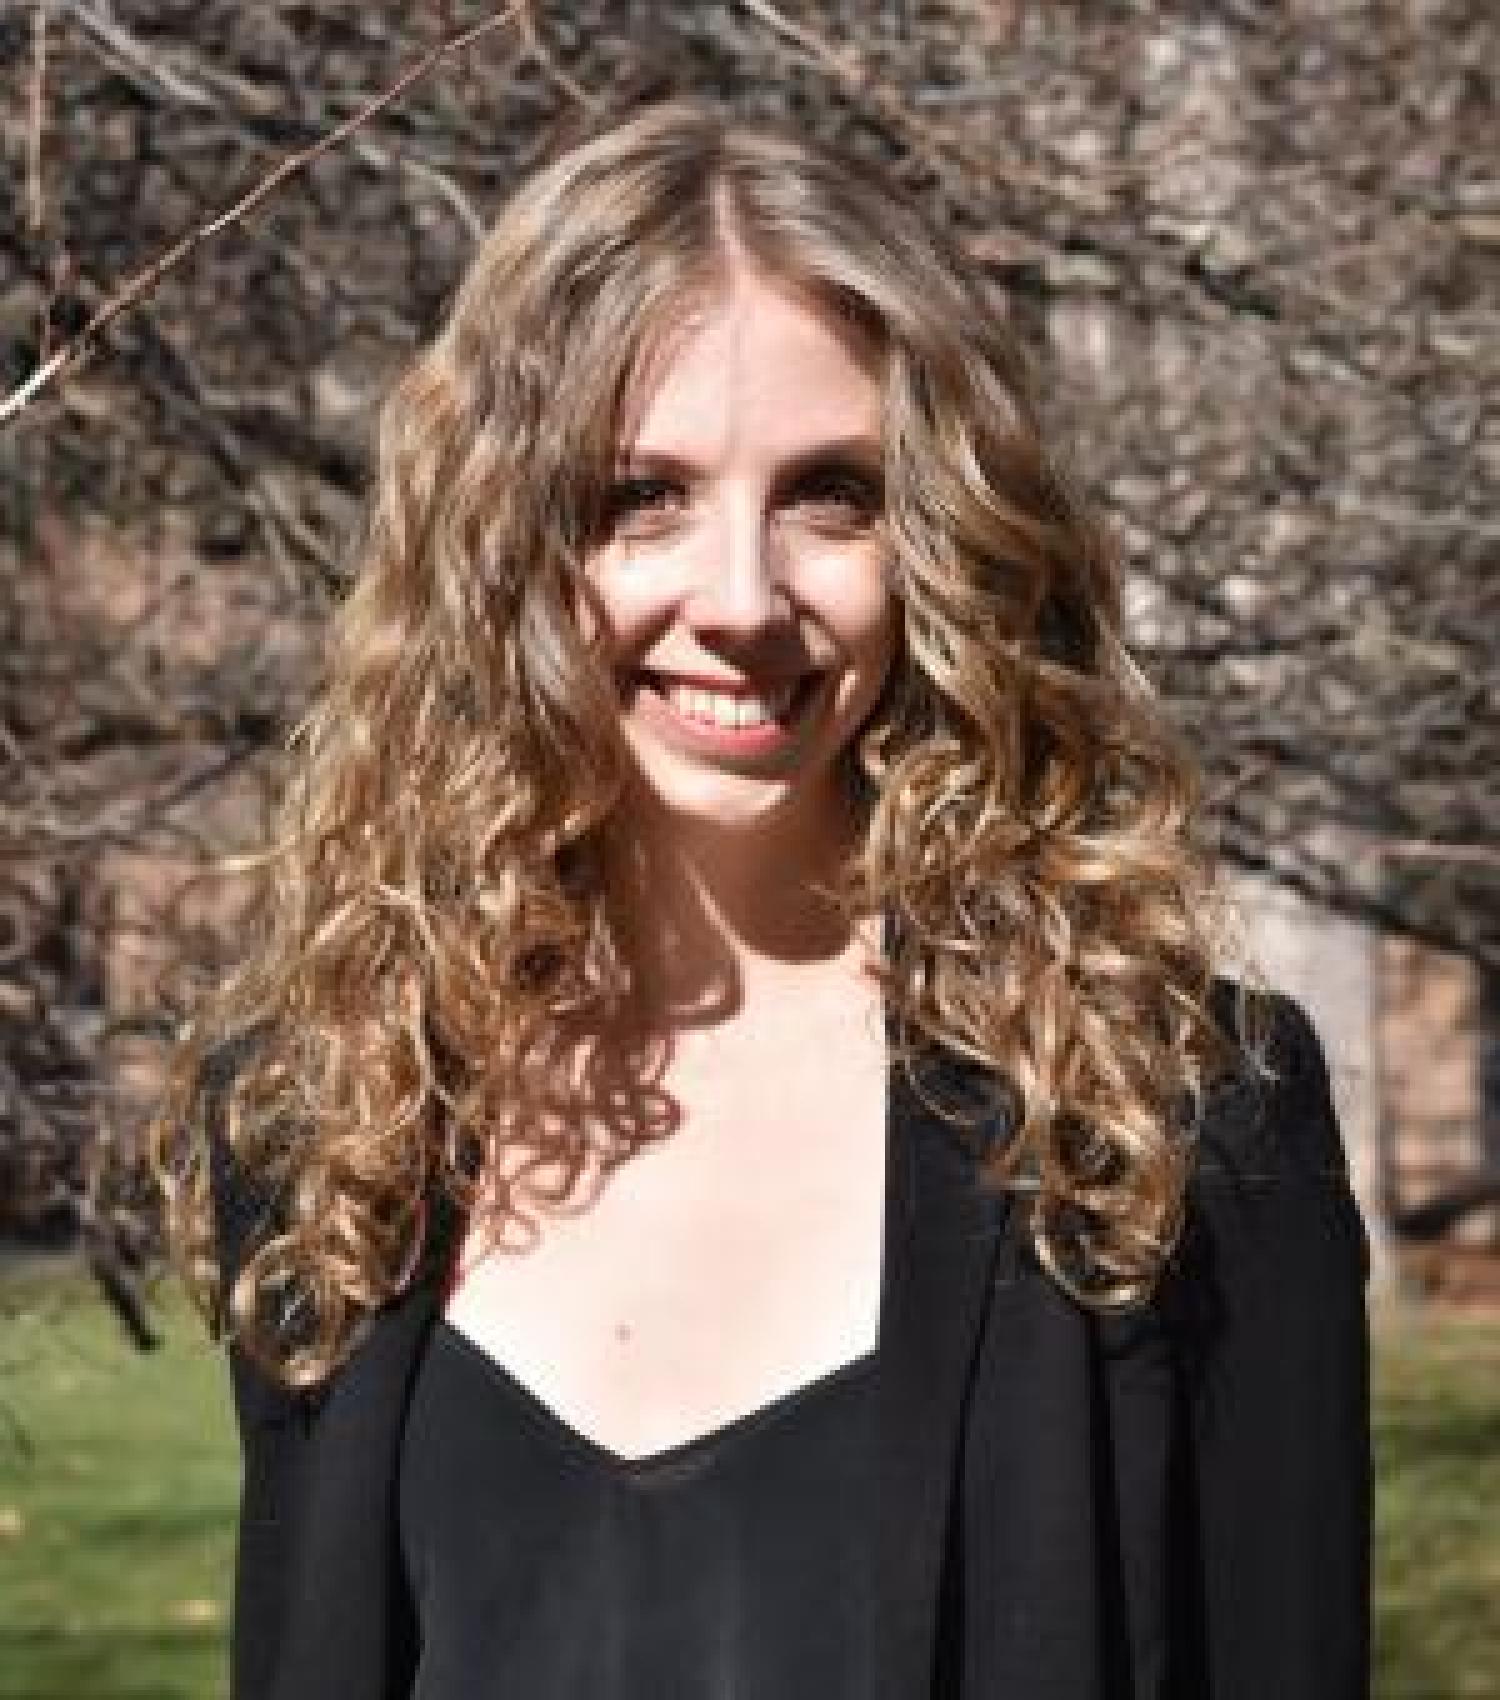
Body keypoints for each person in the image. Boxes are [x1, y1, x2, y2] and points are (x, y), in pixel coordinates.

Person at [153, 100, 1371, 1700]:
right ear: (500, 547)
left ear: (940, 536)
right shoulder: (331, 1128)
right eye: (639, 496)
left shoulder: (1172, 1121)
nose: (742, 600)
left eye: (832, 494)